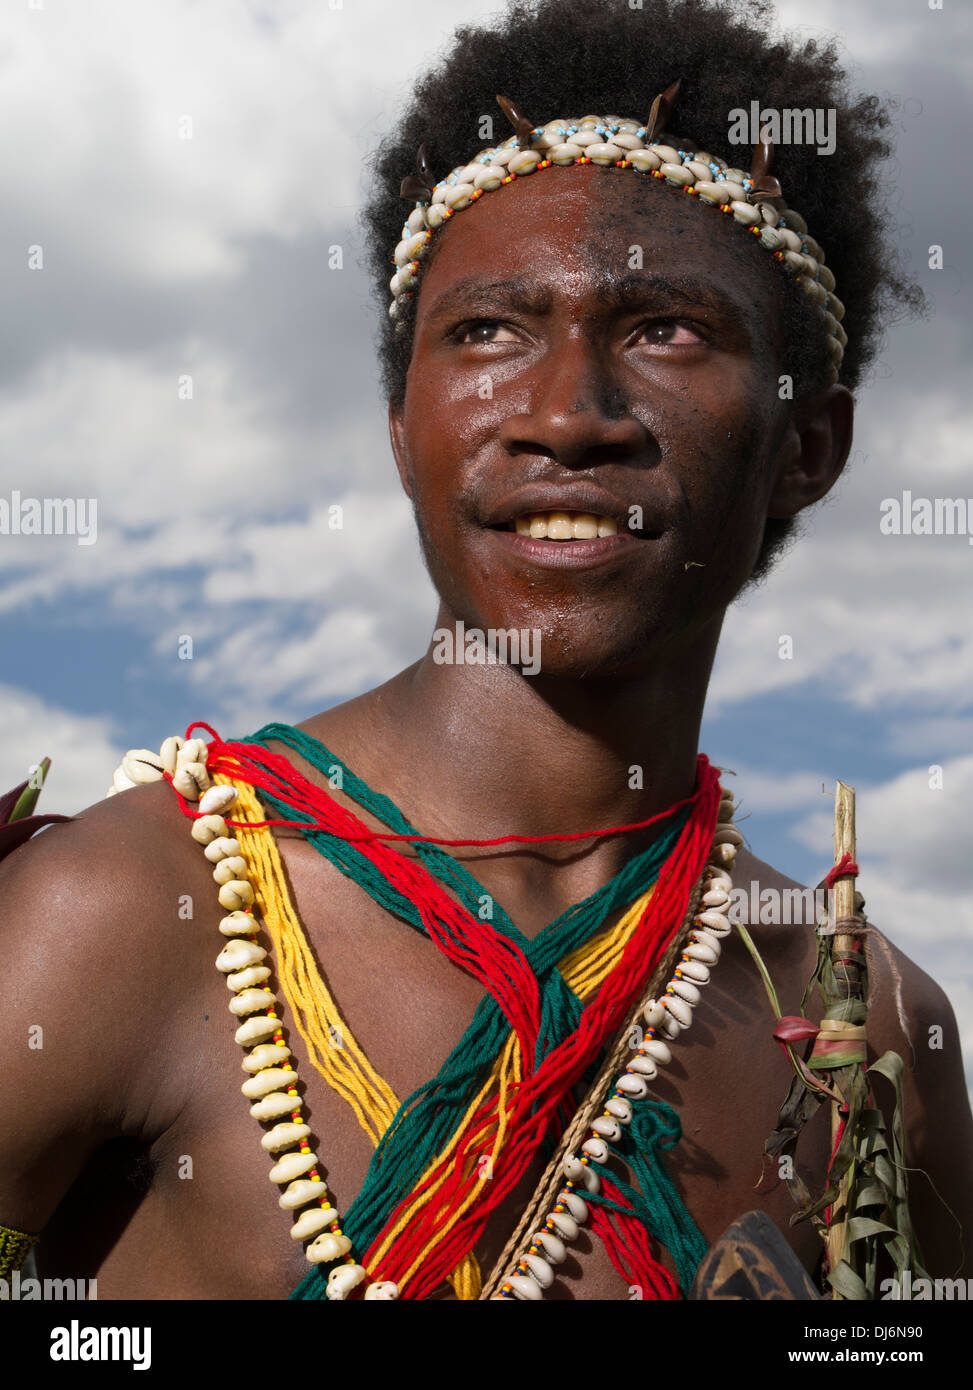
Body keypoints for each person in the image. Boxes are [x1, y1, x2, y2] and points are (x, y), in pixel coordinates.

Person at [1, 0, 970, 1303]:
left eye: (666, 328)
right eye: (488, 330)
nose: (566, 414)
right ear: (404, 427)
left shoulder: (869, 1031)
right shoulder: (121, 914)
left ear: (808, 446)